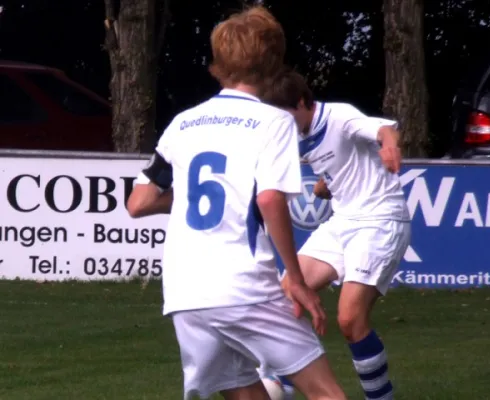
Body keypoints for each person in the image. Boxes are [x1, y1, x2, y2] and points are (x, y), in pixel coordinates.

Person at [126, 6, 347, 400]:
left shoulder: (183, 123)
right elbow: (268, 198)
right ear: (273, 63)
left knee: (245, 393)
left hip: (186, 293)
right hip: (244, 289)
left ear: (219, 62)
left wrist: (194, 198)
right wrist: (295, 279)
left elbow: (139, 202)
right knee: (326, 393)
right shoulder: (274, 122)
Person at [259, 69, 412, 400]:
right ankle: (282, 384)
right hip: (343, 221)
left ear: (302, 102)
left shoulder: (339, 116)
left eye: (284, 116)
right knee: (286, 293)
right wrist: (326, 186)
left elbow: (384, 130)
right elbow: (342, 167)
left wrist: (389, 147)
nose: (281, 125)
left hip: (380, 219)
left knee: (350, 319)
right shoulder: (298, 135)